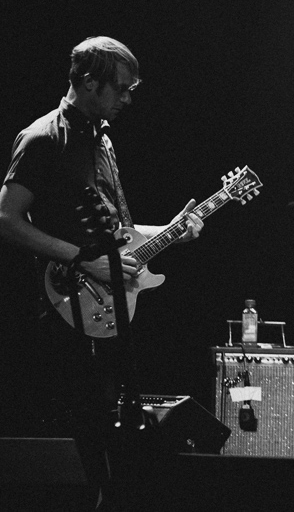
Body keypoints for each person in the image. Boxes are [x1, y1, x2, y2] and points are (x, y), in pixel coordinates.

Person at [0, 36, 204, 508]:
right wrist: (80, 258)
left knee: (116, 431)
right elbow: (7, 220)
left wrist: (176, 230)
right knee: (82, 433)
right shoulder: (44, 138)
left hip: (108, 299)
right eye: (122, 88)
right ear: (88, 83)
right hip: (65, 303)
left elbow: (120, 230)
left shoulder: (101, 138)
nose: (128, 99)